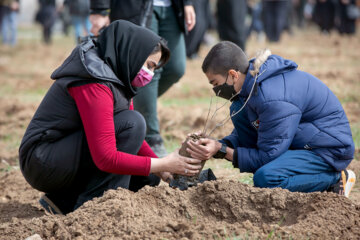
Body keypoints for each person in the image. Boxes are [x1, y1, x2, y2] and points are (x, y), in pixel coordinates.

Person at [19, 20, 203, 215]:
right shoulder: (95, 81)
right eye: (148, 65)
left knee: (148, 177)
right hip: (43, 160)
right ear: (132, 53)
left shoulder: (118, 75)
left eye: (153, 69)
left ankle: (64, 201)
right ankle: (93, 207)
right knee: (134, 123)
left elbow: (132, 137)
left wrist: (161, 169)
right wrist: (163, 163)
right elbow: (107, 156)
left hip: (64, 153)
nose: (149, 74)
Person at [186, 41, 356, 197]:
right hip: (301, 141)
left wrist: (221, 151)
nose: (216, 90)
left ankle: (334, 178)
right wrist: (217, 144)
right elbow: (249, 134)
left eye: (216, 83)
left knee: (266, 178)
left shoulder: (271, 98)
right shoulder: (249, 90)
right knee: (237, 108)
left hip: (328, 149)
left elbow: (267, 156)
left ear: (233, 74)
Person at [89, 0, 196, 158]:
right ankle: (152, 137)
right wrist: (100, 9)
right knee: (146, 68)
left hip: (172, 6)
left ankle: (124, 109)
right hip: (135, 6)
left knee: (176, 68)